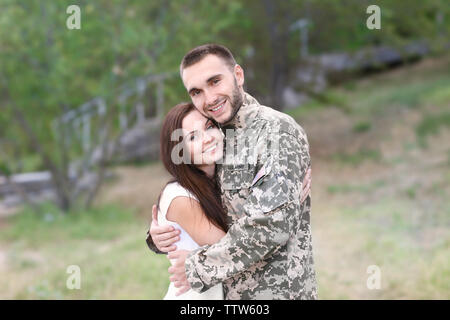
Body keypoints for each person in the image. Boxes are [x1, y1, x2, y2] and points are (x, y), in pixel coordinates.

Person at [147, 44, 317, 300]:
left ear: (238, 75)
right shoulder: (217, 135)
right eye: (196, 91)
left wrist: (195, 267)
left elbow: (271, 227)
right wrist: (162, 234)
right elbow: (204, 204)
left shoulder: (276, 132)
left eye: (215, 81)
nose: (210, 98)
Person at [153, 102, 228, 299]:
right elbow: (229, 247)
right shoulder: (179, 196)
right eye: (193, 137)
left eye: (209, 126)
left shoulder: (225, 181)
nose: (207, 139)